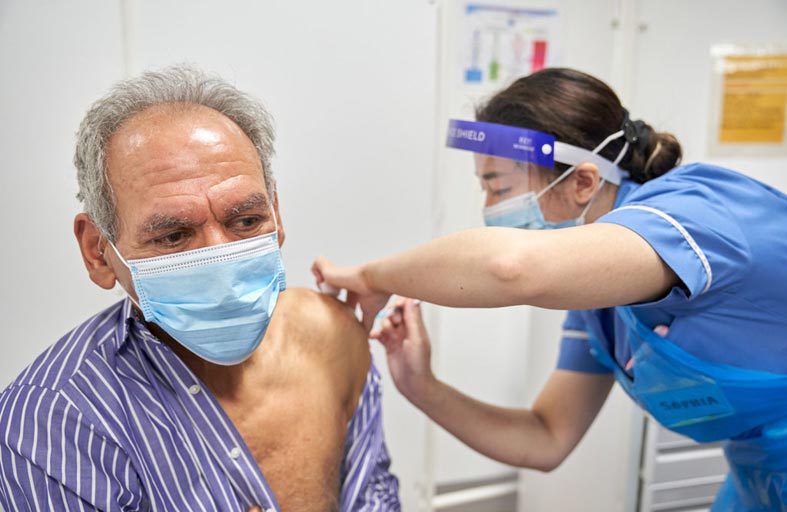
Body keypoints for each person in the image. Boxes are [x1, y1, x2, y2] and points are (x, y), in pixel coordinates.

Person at [313, 67, 787, 511]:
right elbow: (546, 438)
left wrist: (373, 279)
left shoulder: (693, 216)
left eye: (500, 189)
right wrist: (422, 387)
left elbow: (511, 267)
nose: (488, 208)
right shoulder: (601, 303)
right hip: (759, 479)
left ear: (582, 182)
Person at [0, 65, 400, 512]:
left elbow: (374, 497)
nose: (221, 262)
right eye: (173, 236)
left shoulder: (333, 339)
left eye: (246, 220)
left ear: (276, 213)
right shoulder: (54, 422)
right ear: (98, 251)